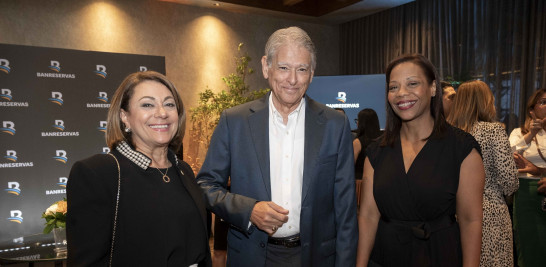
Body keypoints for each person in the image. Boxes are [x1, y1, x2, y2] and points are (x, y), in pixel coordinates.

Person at [196, 26, 357, 267]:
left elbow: (346, 211)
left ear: (311, 73)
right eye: (283, 68)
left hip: (314, 258)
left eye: (301, 69)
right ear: (265, 66)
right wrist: (248, 210)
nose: (292, 79)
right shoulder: (235, 121)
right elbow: (206, 186)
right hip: (251, 255)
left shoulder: (335, 124)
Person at [66, 71, 211, 266]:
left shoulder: (183, 170)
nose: (162, 113)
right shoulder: (97, 173)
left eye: (169, 104)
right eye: (147, 104)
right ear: (124, 116)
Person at [356, 54, 485, 267]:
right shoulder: (376, 152)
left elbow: (471, 220)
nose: (402, 94)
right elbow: (368, 216)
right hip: (385, 256)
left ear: (433, 88)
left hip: (439, 255)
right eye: (393, 87)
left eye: (412, 84)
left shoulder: (461, 149)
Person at [447, 80, 519, 266]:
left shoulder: (448, 134)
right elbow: (509, 181)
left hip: (454, 215)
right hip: (490, 215)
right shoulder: (493, 131)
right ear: (485, 101)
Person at [508, 87, 546, 267]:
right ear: (532, 110)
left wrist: (539, 171)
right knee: (530, 244)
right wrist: (530, 134)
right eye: (543, 102)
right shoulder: (518, 132)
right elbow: (507, 156)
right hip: (526, 194)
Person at [353, 108, 382, 180]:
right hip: (379, 180)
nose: (357, 123)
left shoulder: (358, 142)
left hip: (360, 183)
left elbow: (349, 166)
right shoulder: (383, 140)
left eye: (358, 120)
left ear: (362, 123)